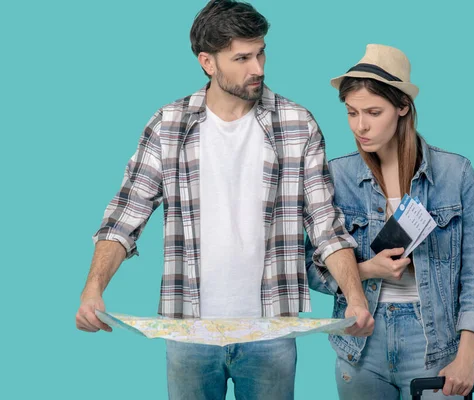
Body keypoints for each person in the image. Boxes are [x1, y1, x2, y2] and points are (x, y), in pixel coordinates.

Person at [74, 1, 374, 399]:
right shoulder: (168, 126)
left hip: (271, 329)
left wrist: (355, 297)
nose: (259, 68)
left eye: (261, 52)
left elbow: (326, 224)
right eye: (243, 57)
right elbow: (126, 216)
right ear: (208, 62)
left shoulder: (297, 124)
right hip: (189, 329)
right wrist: (93, 289)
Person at [306, 44, 474, 399]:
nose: (360, 126)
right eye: (351, 112)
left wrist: (467, 356)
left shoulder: (455, 173)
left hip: (434, 344)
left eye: (373, 112)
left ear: (403, 107)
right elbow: (307, 266)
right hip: (361, 345)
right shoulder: (337, 176)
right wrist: (366, 270)